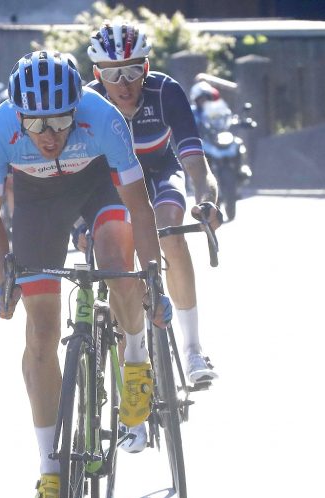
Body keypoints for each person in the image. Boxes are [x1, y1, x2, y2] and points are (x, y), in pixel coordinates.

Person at [0, 50, 169, 498]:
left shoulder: (102, 118)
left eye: (62, 120)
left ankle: (136, 357)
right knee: (39, 335)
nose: (50, 134)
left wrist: (153, 275)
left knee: (114, 257)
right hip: (39, 205)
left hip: (98, 188)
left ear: (78, 107)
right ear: (17, 115)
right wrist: (5, 280)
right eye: (37, 124)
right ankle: (50, 470)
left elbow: (139, 207)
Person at [86, 21, 224, 452]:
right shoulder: (87, 105)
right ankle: (136, 366)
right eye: (112, 74)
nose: (124, 84)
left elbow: (198, 168)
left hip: (163, 175)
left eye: (132, 71)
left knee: (172, 234)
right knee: (119, 265)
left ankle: (193, 348)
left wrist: (206, 201)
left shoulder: (166, 92)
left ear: (146, 67)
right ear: (97, 76)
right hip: (112, 187)